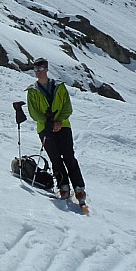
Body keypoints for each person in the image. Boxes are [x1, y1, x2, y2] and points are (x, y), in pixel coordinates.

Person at [26, 57, 87, 207]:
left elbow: (67, 107)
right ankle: (63, 186)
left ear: (46, 69)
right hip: (45, 128)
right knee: (55, 158)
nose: (38, 72)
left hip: (63, 126)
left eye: (41, 69)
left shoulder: (59, 87)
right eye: (36, 69)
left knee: (68, 156)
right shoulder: (32, 91)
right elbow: (33, 112)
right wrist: (48, 123)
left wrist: (59, 121)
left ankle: (79, 187)